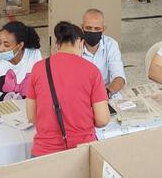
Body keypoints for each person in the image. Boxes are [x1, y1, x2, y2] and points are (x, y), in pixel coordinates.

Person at [25, 22, 109, 156]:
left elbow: (32, 116)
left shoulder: (39, 68)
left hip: (44, 152)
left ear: (57, 45)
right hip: (82, 151)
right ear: (81, 43)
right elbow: (102, 120)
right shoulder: (92, 71)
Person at [0, 21, 43, 102]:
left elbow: (41, 88)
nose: (0, 49)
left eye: (6, 45)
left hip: (26, 110)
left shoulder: (33, 55)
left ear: (20, 46)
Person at [81, 9, 126, 97]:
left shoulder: (111, 45)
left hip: (106, 94)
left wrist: (105, 93)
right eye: (88, 28)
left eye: (97, 28)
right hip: (81, 96)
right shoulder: (73, 47)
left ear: (103, 29)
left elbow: (119, 78)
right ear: (82, 27)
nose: (93, 31)